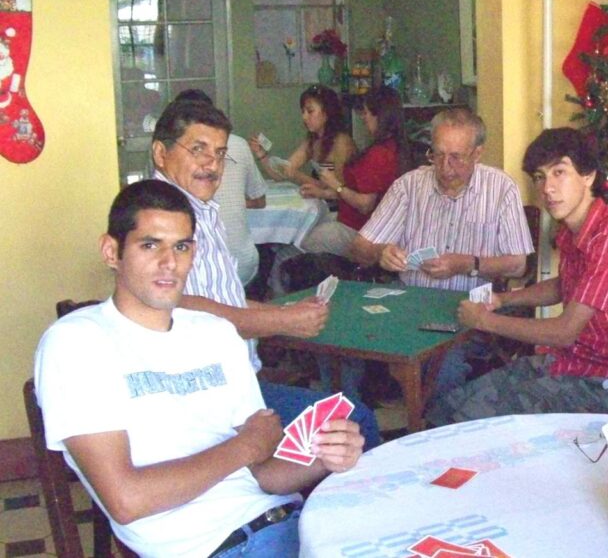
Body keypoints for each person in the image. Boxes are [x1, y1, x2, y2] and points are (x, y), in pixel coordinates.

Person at [34, 180, 365, 557]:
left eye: (181, 246)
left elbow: (265, 474)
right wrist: (245, 446)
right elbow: (126, 500)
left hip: (290, 523)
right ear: (112, 251)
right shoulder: (77, 342)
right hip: (219, 548)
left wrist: (325, 457)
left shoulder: (215, 333)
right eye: (149, 245)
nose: (169, 263)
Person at [149, 98, 380, 447]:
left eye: (220, 153)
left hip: (236, 384)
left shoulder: (200, 210)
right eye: (198, 150)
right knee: (352, 422)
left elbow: (223, 300)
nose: (212, 164)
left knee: (342, 425)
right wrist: (282, 321)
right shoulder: (157, 217)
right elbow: (183, 309)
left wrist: (284, 311)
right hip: (204, 396)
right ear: (160, 153)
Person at [426, 127, 608, 425]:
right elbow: (566, 285)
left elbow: (564, 331)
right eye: (540, 177)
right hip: (572, 361)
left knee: (471, 419)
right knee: (451, 405)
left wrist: (484, 320)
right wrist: (503, 299)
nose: (547, 188)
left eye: (559, 172)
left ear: (588, 176)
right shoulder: (573, 229)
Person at [348, 107, 534, 396]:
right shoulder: (409, 186)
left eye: (456, 157)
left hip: (468, 309)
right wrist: (380, 252)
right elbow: (359, 247)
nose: (445, 167)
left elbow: (517, 264)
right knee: (345, 337)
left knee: (443, 365)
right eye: (437, 155)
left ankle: (433, 419)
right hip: (408, 303)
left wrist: (468, 264)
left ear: (478, 153)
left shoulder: (500, 189)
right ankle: (351, 417)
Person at [300, 86, 411, 260]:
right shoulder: (395, 147)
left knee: (305, 241)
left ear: (379, 116)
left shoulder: (378, 154)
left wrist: (335, 185)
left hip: (361, 229)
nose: (363, 117)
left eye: (366, 112)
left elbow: (365, 204)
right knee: (311, 224)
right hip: (355, 221)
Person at [175, 88, 268, 286]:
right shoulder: (239, 145)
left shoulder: (174, 153)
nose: (213, 164)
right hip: (241, 263)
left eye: (220, 154)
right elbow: (260, 200)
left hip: (206, 271)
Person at [250, 84, 354, 192]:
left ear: (327, 112)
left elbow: (339, 189)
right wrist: (262, 155)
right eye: (303, 112)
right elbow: (282, 174)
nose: (304, 117)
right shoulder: (312, 140)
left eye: (310, 111)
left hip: (337, 201)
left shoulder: (341, 142)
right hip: (321, 199)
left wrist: (297, 175)